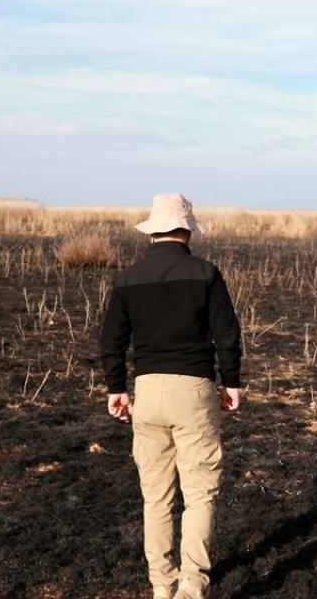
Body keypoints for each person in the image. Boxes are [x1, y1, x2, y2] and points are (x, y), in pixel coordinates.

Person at [99, 193, 243, 599]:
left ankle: (162, 585)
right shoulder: (206, 273)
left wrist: (116, 388)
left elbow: (111, 342)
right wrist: (231, 382)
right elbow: (227, 334)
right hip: (194, 391)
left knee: (156, 497)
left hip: (147, 392)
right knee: (199, 494)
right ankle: (191, 585)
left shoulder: (126, 279)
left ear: (153, 232)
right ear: (187, 231)